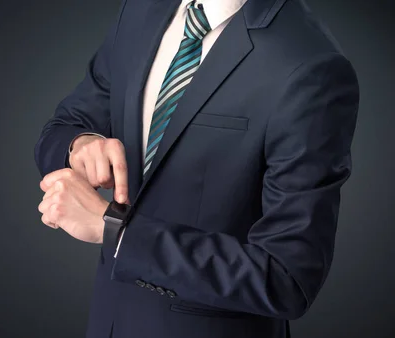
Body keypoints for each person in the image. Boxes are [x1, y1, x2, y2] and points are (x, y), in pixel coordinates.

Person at [33, 0, 359, 337]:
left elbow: (287, 278)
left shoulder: (311, 65)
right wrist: (80, 146)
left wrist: (118, 232)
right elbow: (67, 123)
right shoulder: (140, 9)